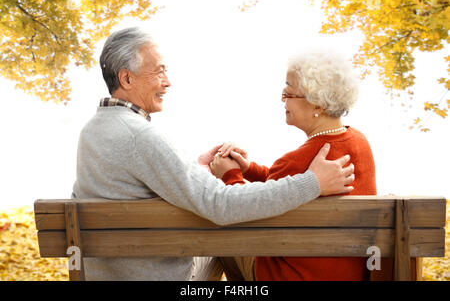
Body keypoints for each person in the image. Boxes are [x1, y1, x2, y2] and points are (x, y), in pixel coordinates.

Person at [71, 27, 355, 281]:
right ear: (126, 78)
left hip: (108, 273)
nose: (167, 81)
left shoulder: (93, 131)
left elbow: (130, 185)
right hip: (161, 276)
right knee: (227, 240)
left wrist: (195, 169)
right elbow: (221, 205)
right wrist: (312, 183)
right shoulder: (140, 136)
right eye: (158, 71)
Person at [210, 49, 377, 281]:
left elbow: (242, 208)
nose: (282, 100)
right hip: (347, 274)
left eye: (288, 94)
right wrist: (249, 169)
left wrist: (229, 175)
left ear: (317, 105)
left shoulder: (296, 161)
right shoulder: (359, 142)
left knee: (218, 236)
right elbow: (286, 186)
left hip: (291, 276)